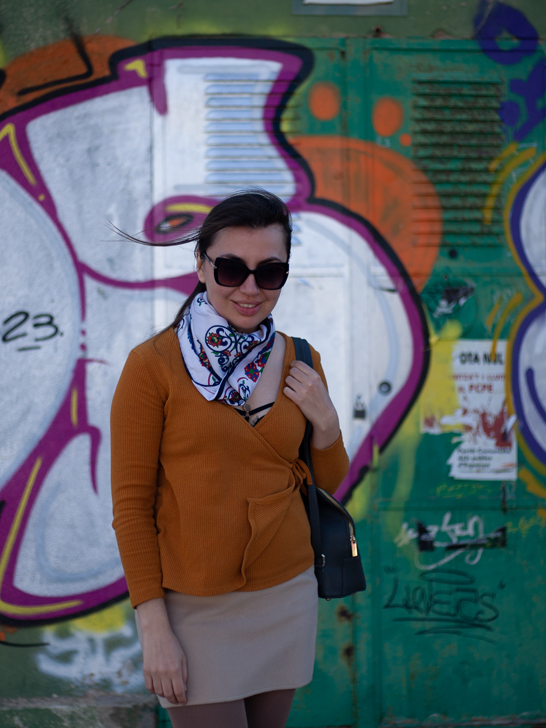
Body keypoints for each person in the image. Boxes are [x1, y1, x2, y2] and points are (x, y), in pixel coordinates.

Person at [110, 190, 350, 728]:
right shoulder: (152, 367)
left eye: (270, 273)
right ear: (200, 265)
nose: (249, 288)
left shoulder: (301, 360)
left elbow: (324, 482)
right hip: (193, 607)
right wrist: (154, 629)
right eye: (230, 268)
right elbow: (130, 508)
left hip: (285, 596)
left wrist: (327, 422)